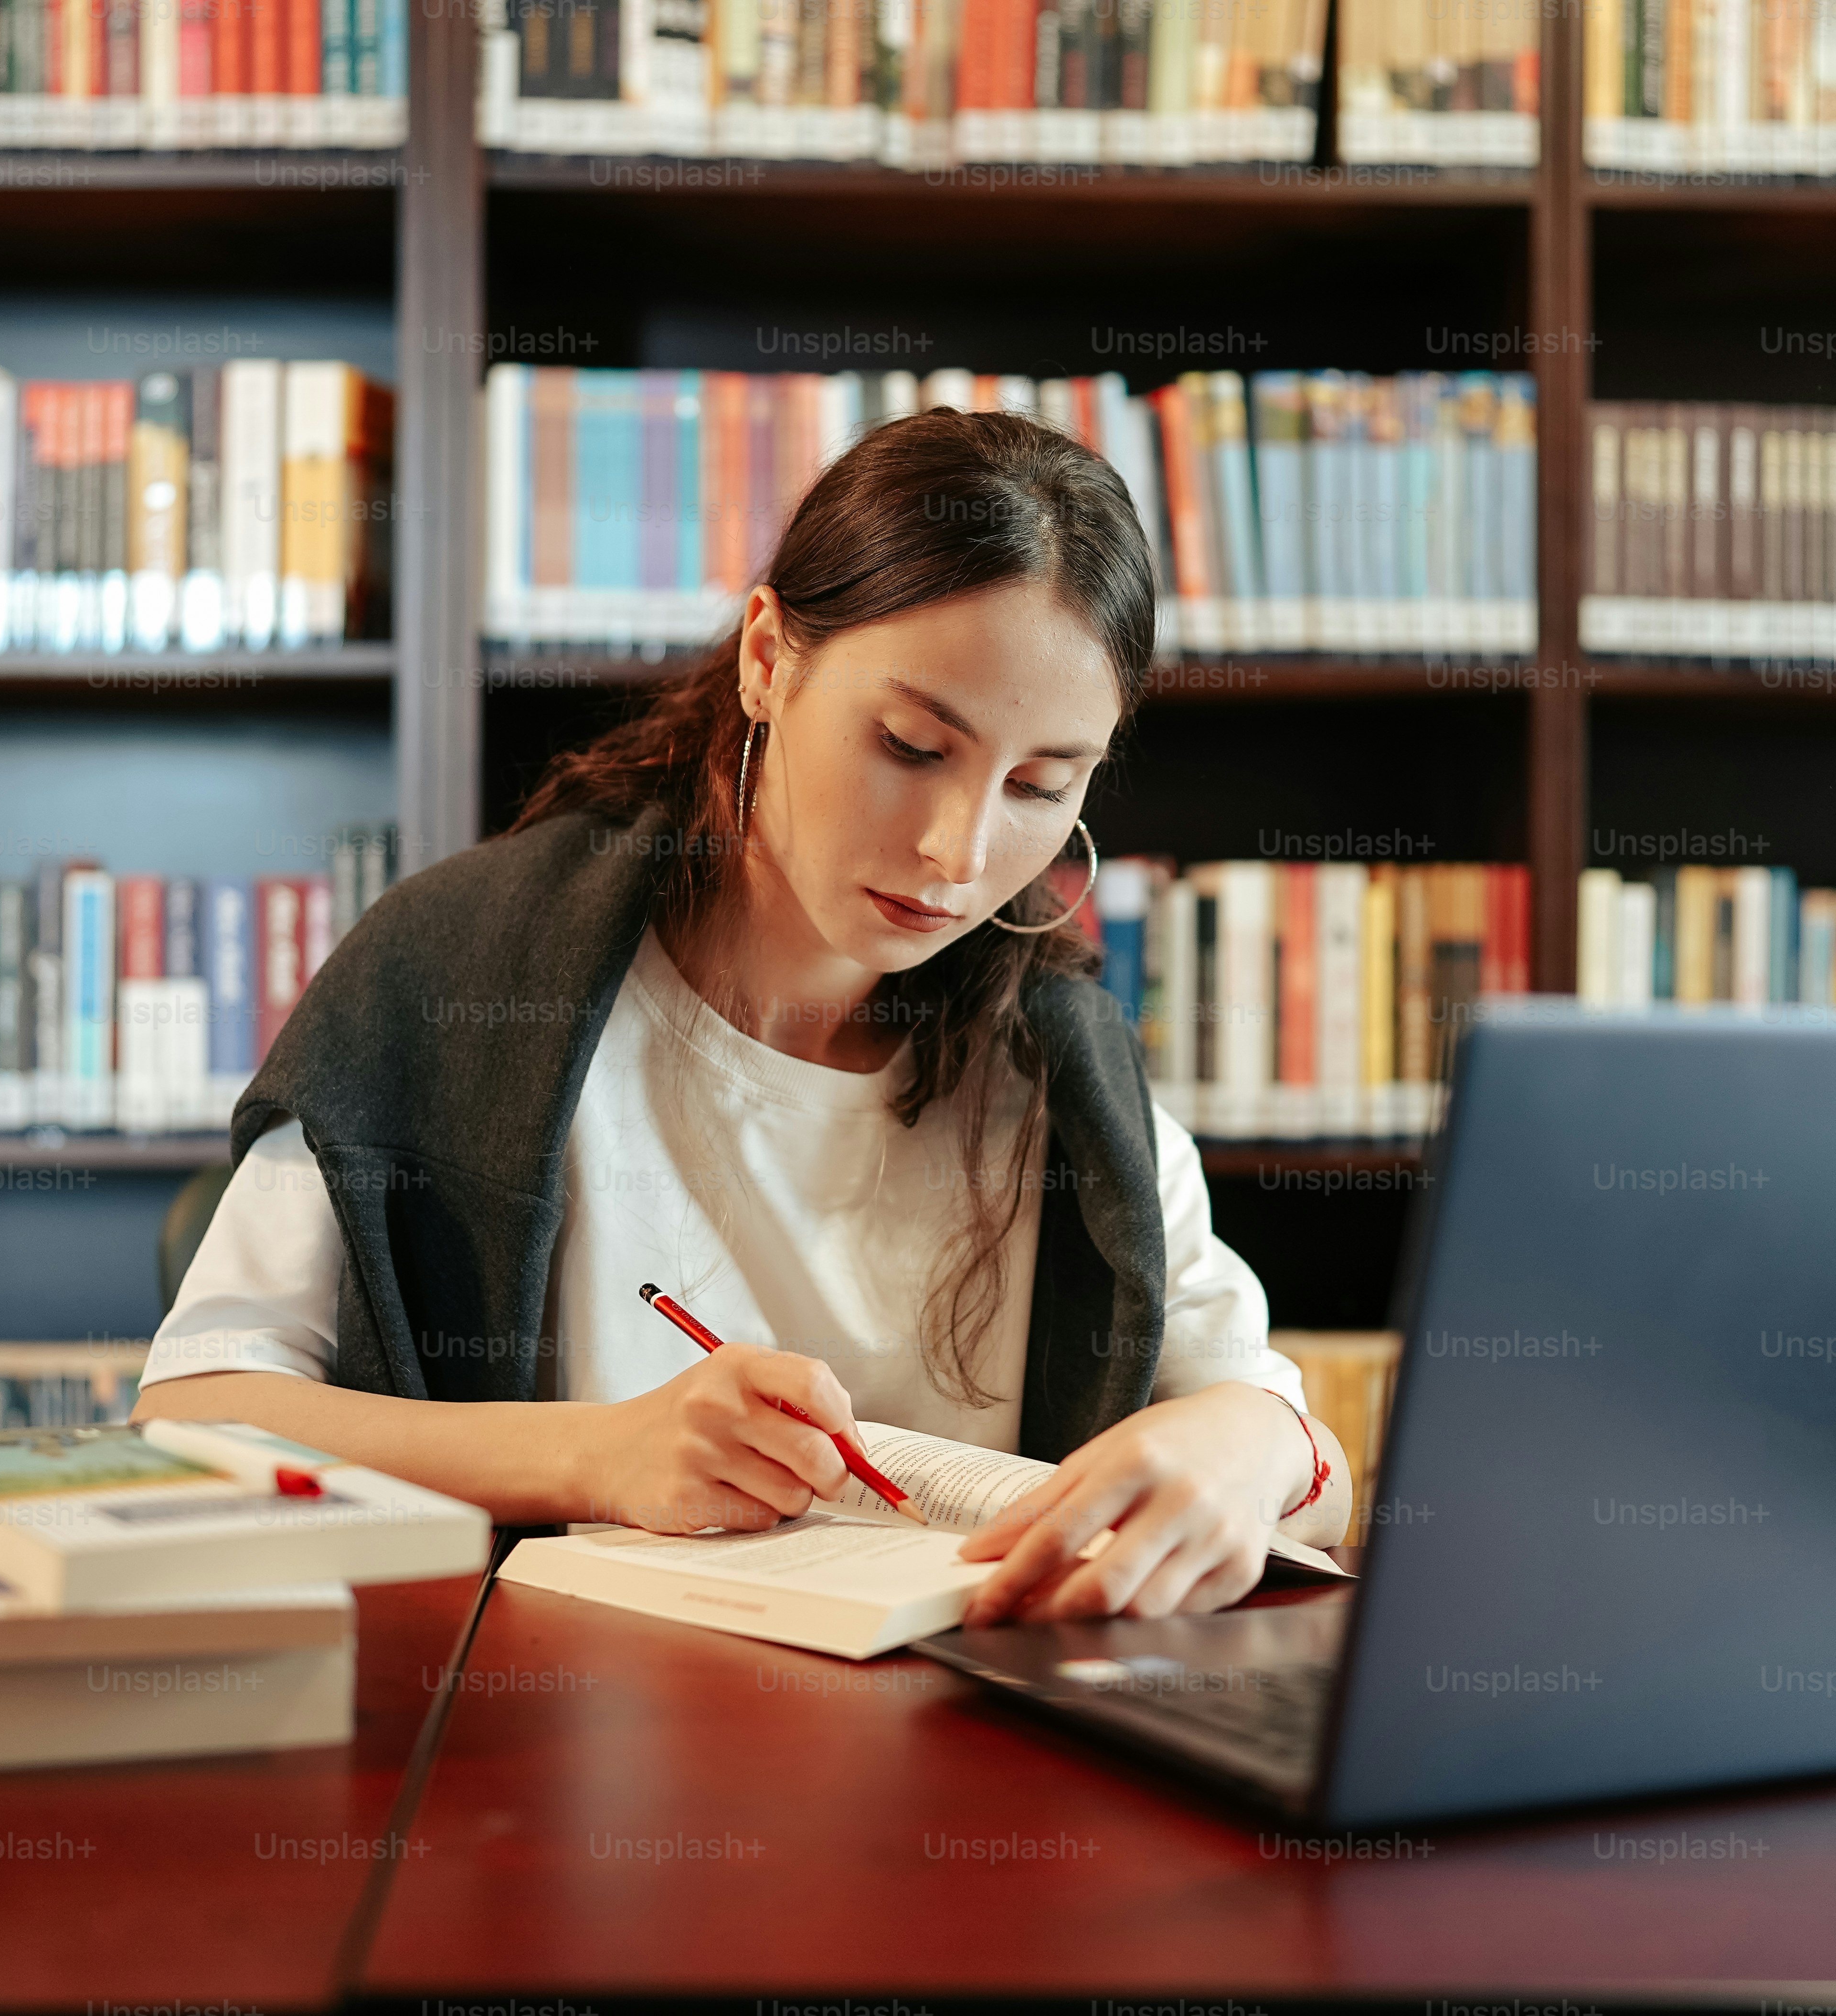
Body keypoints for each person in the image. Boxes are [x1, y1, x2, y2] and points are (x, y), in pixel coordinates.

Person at [136, 407, 1350, 1623]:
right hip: (547, 1742)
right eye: (913, 744)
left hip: (958, 1759)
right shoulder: (465, 965)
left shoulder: (1057, 1056)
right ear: (768, 658)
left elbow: (1310, 1469)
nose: (960, 852)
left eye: (1041, 784)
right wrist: (595, 1454)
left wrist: (1246, 1451)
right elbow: (195, 1408)